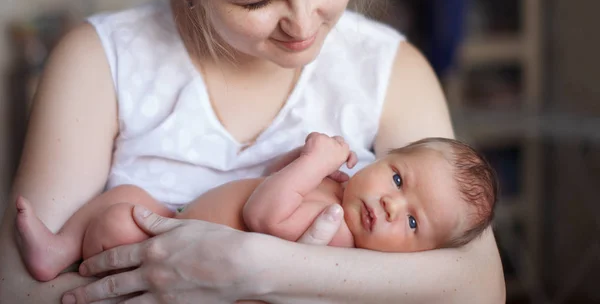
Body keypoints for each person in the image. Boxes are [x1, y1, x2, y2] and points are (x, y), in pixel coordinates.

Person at [0, 0, 506, 303]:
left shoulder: (390, 70)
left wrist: (255, 270)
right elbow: (18, 289)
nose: (305, 26)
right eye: (257, 2)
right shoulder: (99, 61)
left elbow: (476, 286)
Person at [15, 132, 499, 282]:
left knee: (121, 219)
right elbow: (270, 182)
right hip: (174, 213)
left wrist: (313, 160)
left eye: (413, 221)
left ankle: (73, 259)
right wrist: (301, 163)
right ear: (384, 159)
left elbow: (264, 215)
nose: (391, 205)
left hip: (162, 246)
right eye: (397, 179)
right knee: (125, 196)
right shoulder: (339, 188)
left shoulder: (338, 236)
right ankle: (58, 249)